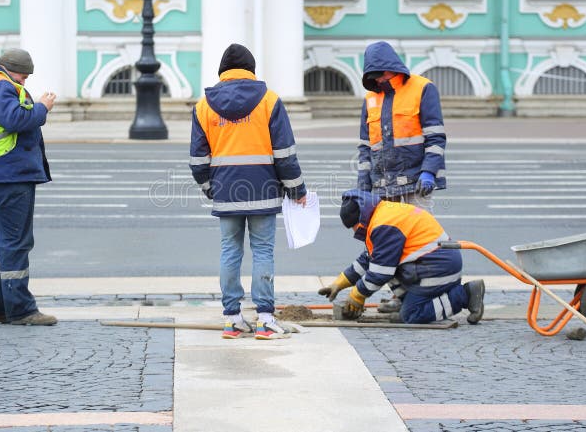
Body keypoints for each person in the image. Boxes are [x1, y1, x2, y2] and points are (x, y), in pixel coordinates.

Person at [190, 43, 307, 340]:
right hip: (264, 190)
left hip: (226, 192)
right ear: (251, 71)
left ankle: (232, 319)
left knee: (230, 251)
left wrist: (210, 188)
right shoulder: (269, 100)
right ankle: (266, 319)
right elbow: (285, 153)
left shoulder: (203, 106)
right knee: (263, 251)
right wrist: (296, 190)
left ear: (222, 73)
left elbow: (197, 160)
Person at [0, 48, 58, 326]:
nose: (24, 82)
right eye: (24, 76)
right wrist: (42, 108)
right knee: (16, 241)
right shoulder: (0, 84)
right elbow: (14, 120)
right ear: (11, 69)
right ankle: (21, 309)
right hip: (10, 173)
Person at [357, 41, 448, 313]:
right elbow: (365, 146)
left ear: (393, 68)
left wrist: (429, 171)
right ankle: (399, 296)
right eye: (374, 76)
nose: (379, 80)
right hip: (382, 187)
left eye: (382, 73)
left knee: (421, 245)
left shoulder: (422, 89)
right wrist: (364, 184)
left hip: (416, 183)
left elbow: (435, 137)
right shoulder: (371, 99)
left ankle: (433, 293)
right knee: (386, 245)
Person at [318, 189, 484, 325]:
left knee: (411, 315)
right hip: (433, 263)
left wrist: (357, 296)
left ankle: (464, 295)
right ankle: (416, 299)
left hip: (438, 268)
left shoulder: (384, 225)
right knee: (386, 266)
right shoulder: (382, 214)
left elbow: (380, 272)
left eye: (353, 228)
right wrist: (339, 283)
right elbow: (369, 259)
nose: (354, 232)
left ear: (359, 223)